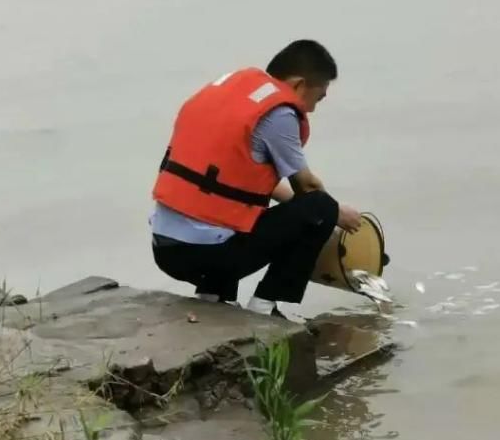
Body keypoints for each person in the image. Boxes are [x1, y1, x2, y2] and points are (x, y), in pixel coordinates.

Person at [149, 39, 363, 318]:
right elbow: (307, 188)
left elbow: (240, 182)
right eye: (317, 98)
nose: (311, 110)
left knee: (235, 211)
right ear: (298, 85)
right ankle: (265, 304)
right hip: (207, 255)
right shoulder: (279, 113)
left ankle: (212, 297)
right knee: (320, 207)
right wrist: (336, 214)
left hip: (165, 249)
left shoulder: (232, 92)